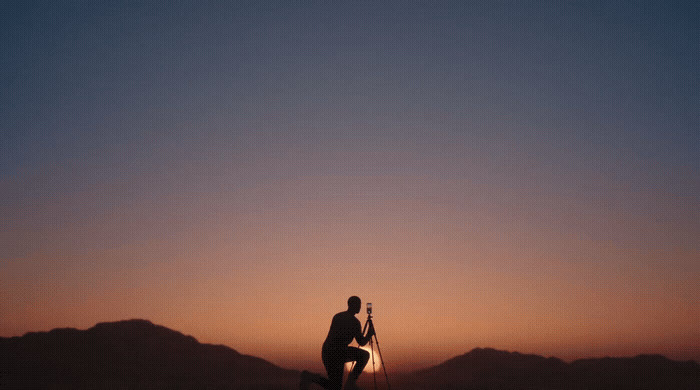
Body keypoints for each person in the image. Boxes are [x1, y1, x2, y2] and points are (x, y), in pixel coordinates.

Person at [300, 296, 375, 390]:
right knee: (364, 355)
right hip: (338, 352)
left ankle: (311, 377)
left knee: (335, 387)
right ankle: (350, 383)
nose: (360, 307)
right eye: (359, 304)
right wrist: (369, 334)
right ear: (353, 305)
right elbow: (362, 342)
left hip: (328, 351)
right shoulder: (355, 322)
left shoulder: (338, 316)